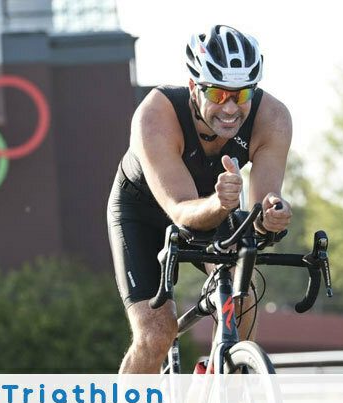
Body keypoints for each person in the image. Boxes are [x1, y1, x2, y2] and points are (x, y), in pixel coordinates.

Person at [107, 25, 293, 374]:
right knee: (157, 333)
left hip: (214, 205)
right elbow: (181, 211)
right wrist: (222, 205)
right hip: (144, 211)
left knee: (243, 299)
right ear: (194, 88)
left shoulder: (273, 118)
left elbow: (261, 207)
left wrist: (271, 216)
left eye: (240, 95)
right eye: (218, 94)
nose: (230, 108)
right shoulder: (156, 115)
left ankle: (216, 397)